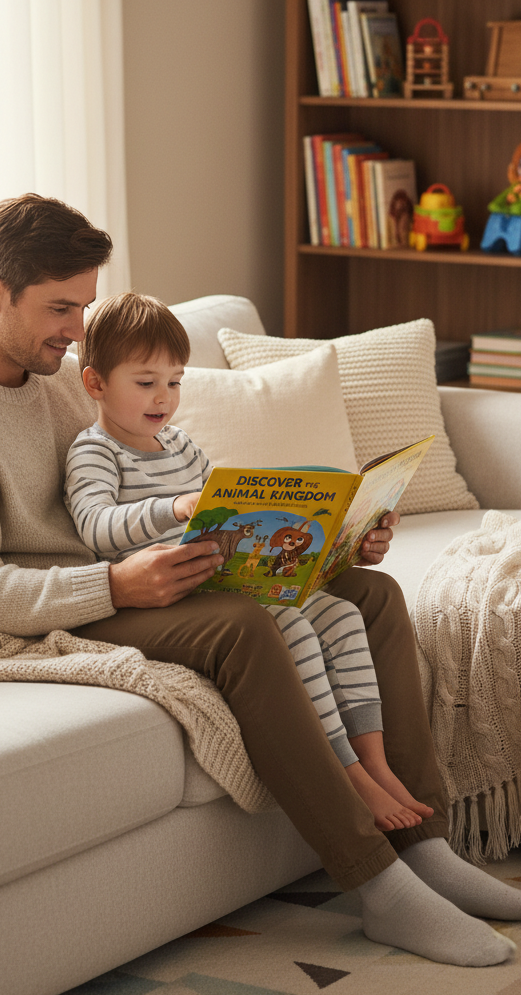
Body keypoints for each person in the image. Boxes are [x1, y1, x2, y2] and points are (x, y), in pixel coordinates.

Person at [0, 194, 521, 969]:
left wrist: (334, 543)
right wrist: (116, 587)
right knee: (245, 626)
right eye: (60, 308)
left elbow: (156, 466)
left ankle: (425, 846)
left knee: (372, 597)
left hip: (140, 575)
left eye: (84, 307)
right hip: (54, 613)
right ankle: (380, 888)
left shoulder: (58, 372)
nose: (75, 329)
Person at [64, 290, 430, 831]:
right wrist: (174, 507)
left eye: (175, 381)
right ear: (95, 382)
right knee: (293, 629)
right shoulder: (95, 450)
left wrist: (338, 537)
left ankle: (375, 761)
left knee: (345, 616)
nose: (163, 396)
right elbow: (95, 526)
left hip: (222, 580)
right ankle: (345, 769)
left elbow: (229, 513)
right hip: (167, 596)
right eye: (146, 382)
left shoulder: (182, 446)